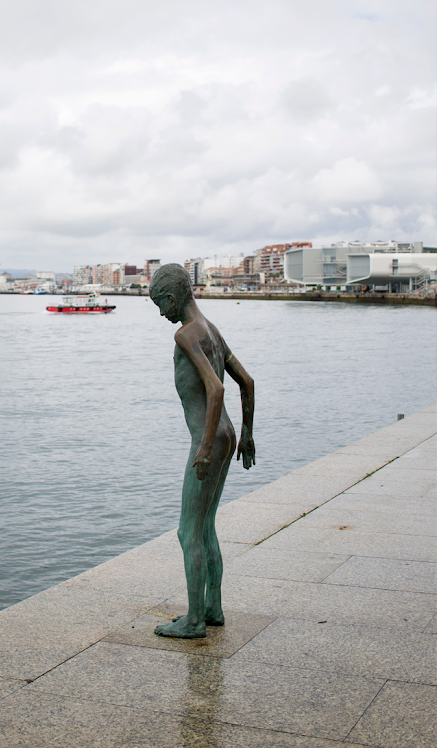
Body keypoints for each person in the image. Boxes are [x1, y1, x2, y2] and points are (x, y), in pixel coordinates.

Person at [149, 264, 255, 638]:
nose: (162, 313)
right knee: (207, 525)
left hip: (209, 438)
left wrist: (205, 447)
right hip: (228, 435)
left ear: (173, 297)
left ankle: (194, 621)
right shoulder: (213, 330)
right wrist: (247, 435)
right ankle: (213, 608)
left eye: (160, 304)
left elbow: (216, 389)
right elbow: (247, 381)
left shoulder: (187, 336)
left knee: (187, 531)